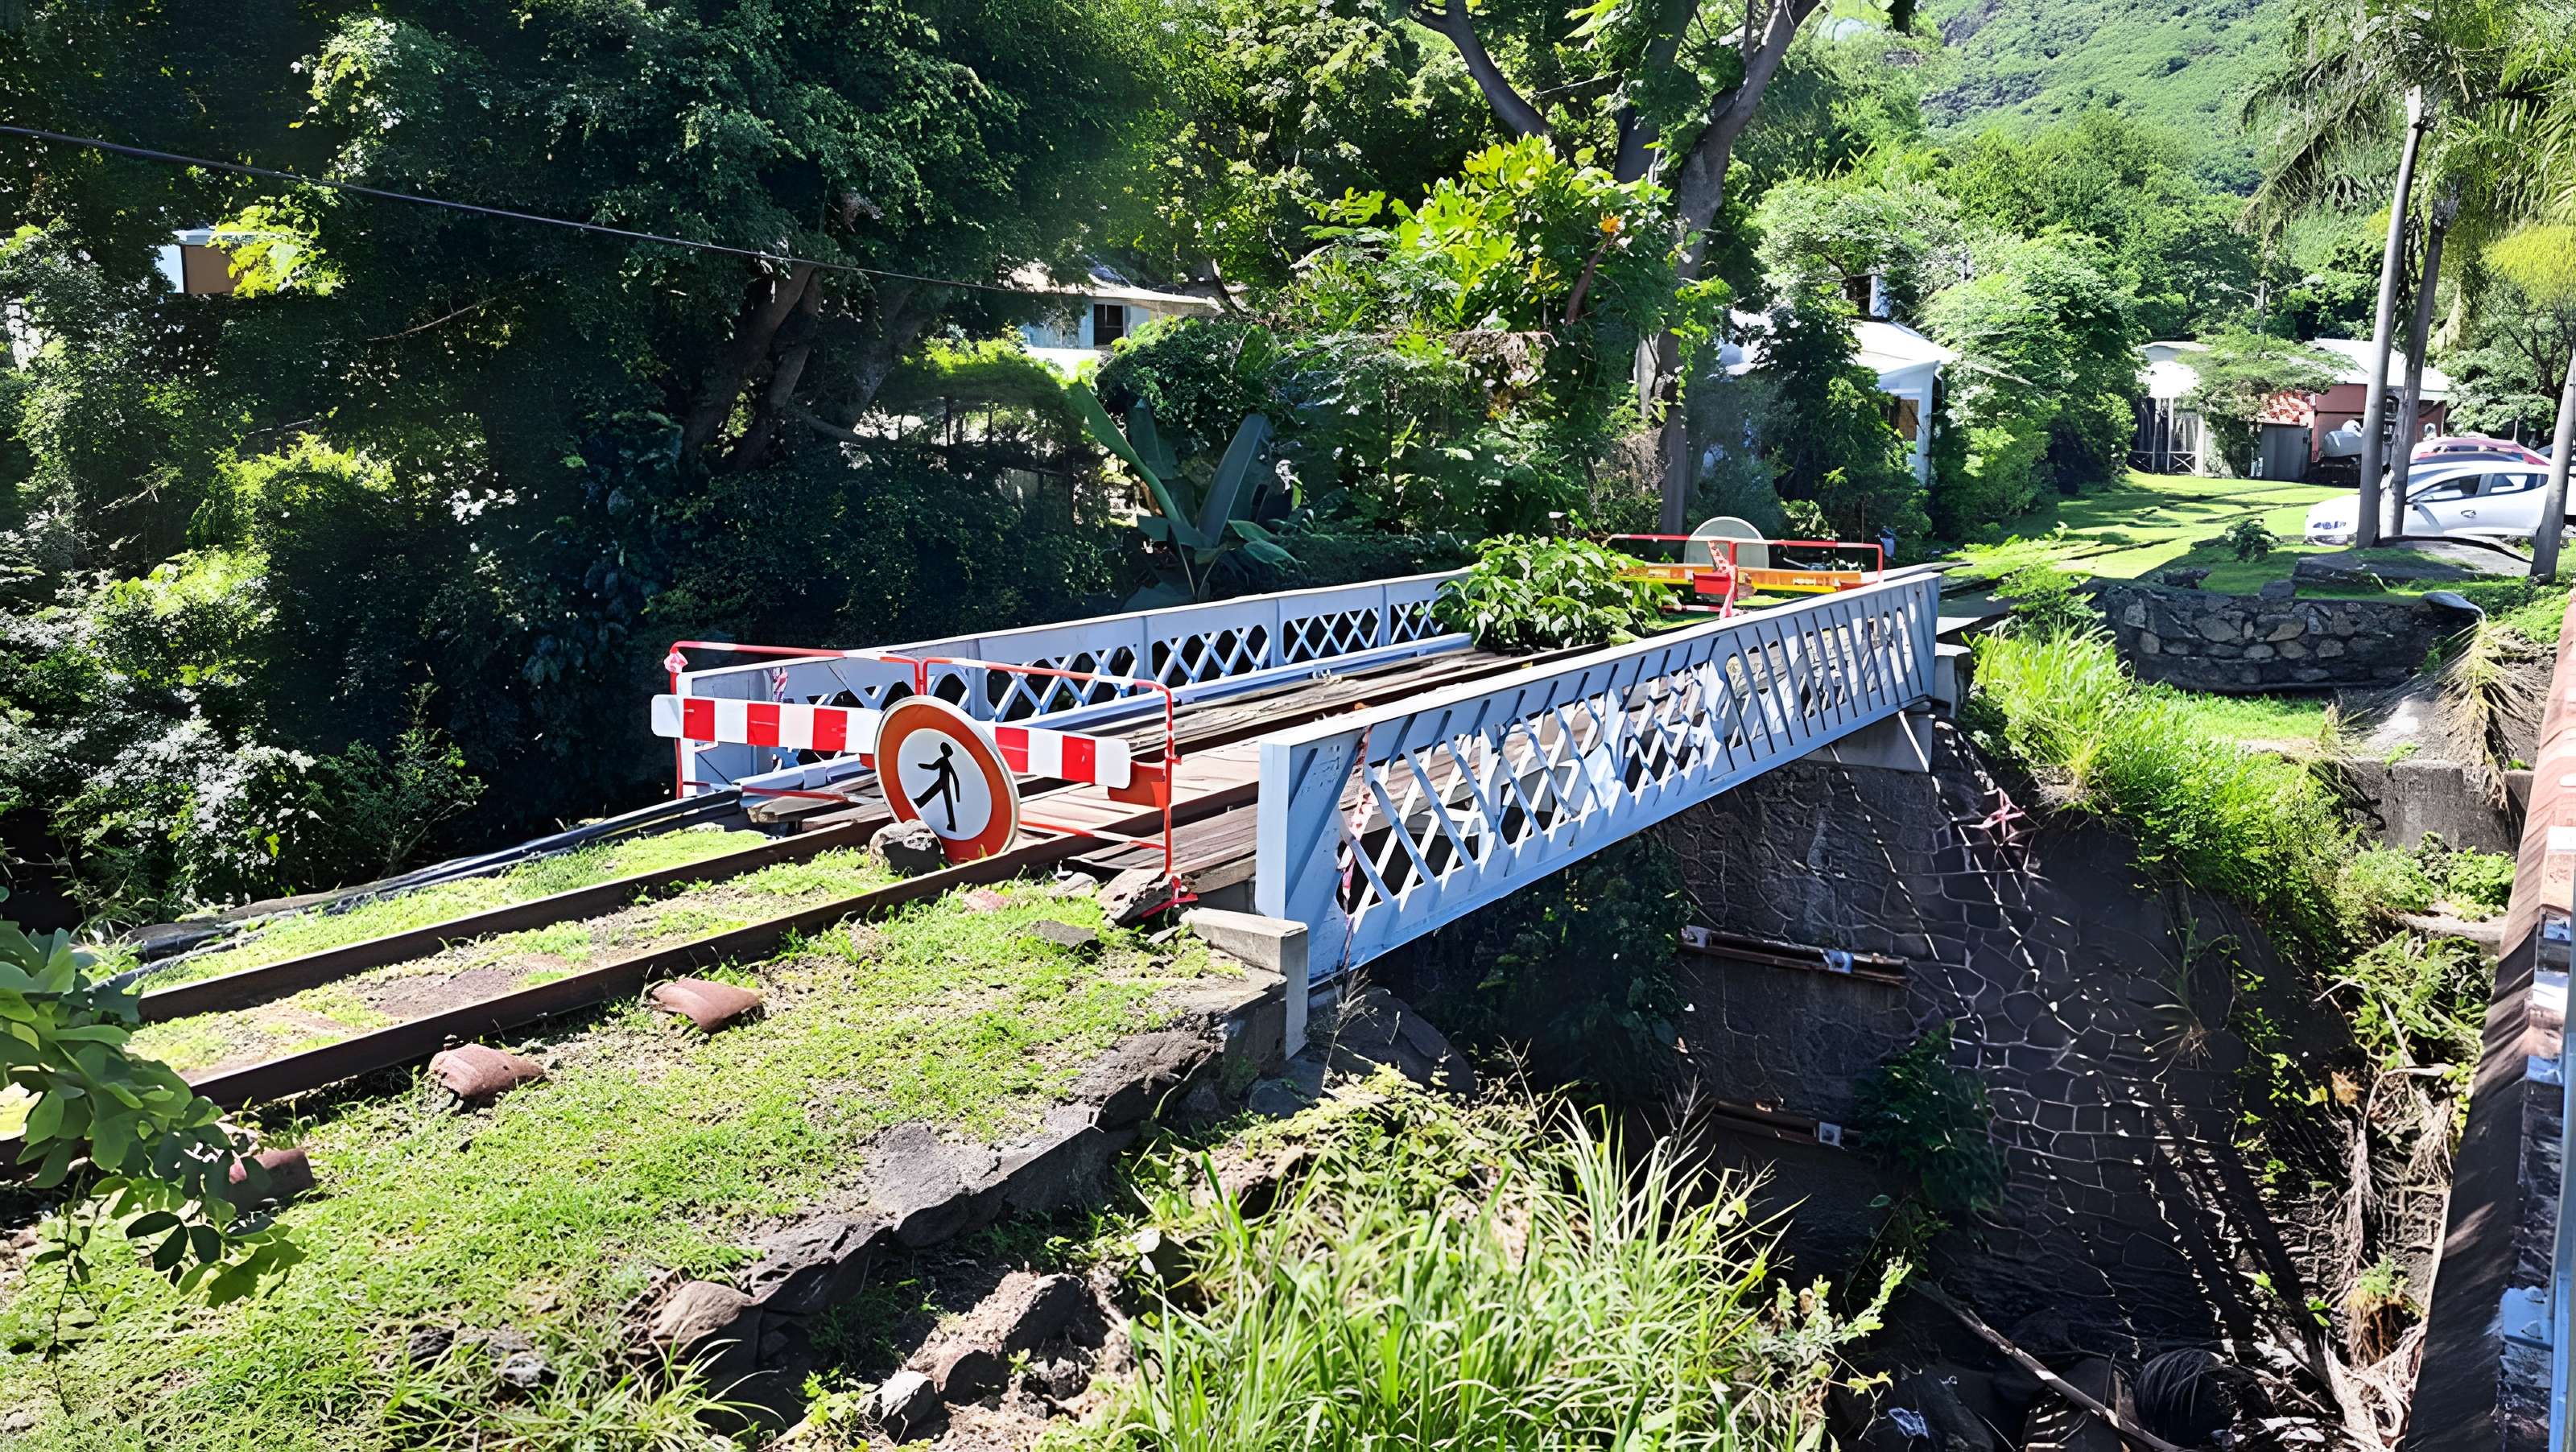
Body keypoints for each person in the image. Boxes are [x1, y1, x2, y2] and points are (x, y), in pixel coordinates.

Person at [914, 740, 964, 833]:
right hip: (944, 783)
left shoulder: (943, 760)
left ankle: (952, 825)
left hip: (942, 783)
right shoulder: (946, 761)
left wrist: (958, 797)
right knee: (947, 803)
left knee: (947, 802)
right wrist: (922, 766)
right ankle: (952, 825)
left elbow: (933, 767)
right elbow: (955, 778)